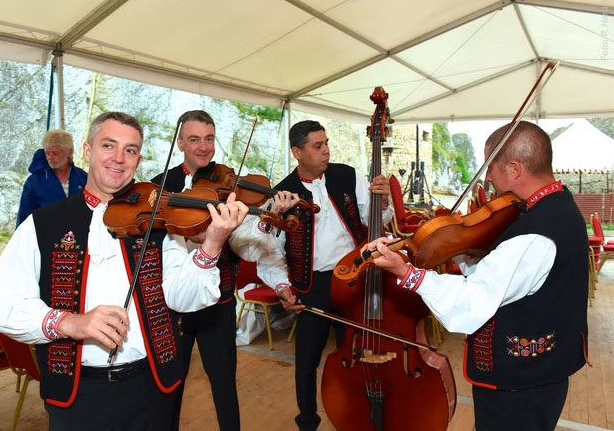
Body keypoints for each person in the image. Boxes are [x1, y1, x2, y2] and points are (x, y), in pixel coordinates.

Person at [0, 111, 249, 430]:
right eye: (108, 145)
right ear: (87, 151)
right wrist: (70, 322)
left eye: (130, 150)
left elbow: (183, 298)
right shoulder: (41, 225)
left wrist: (212, 244)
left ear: (138, 160)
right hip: (78, 395)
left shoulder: (158, 223)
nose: (119, 158)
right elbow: (3, 308)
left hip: (152, 388)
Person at [367, 121, 589, 431]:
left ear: (514, 168)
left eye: (490, 168)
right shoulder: (555, 205)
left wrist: (406, 273)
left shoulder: (535, 233)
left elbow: (472, 302)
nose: (488, 178)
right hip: (538, 376)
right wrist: (460, 245)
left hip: (519, 389)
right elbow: (505, 275)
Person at [150, 110, 298, 431]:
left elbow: (247, 247)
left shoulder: (230, 186)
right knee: (169, 387)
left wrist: (266, 218)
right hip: (173, 307)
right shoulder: (160, 187)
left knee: (224, 384)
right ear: (180, 143)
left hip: (219, 304)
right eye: (194, 139)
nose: (203, 147)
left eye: (209, 138)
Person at [264, 120, 392, 431]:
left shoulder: (347, 175)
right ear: (297, 152)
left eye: (327, 144)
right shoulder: (281, 194)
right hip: (312, 285)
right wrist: (282, 286)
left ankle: (358, 417)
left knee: (357, 354)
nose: (326, 151)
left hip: (354, 277)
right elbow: (269, 251)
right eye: (317, 146)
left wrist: (384, 200)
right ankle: (307, 422)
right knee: (306, 361)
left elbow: (375, 218)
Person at [16, 129, 88, 227]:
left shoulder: (84, 178)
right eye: (47, 153)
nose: (50, 157)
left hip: (80, 234)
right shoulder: (34, 182)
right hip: (45, 234)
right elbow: (24, 219)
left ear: (69, 152)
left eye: (55, 153)